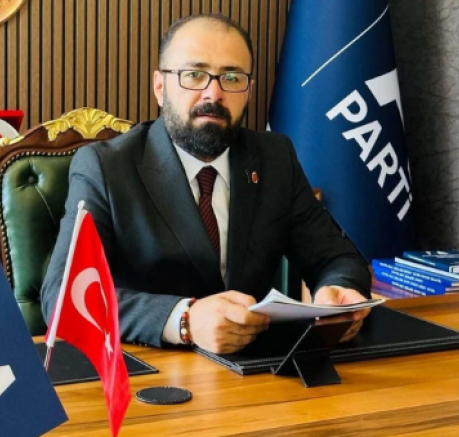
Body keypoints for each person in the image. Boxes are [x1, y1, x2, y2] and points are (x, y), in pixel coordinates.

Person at [41, 14, 372, 354]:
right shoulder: (106, 167)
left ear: (248, 90)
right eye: (194, 75)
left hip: (256, 369)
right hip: (149, 368)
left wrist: (338, 292)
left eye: (232, 77)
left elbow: (338, 258)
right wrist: (184, 320)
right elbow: (64, 296)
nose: (213, 93)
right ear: (160, 87)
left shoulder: (275, 158)